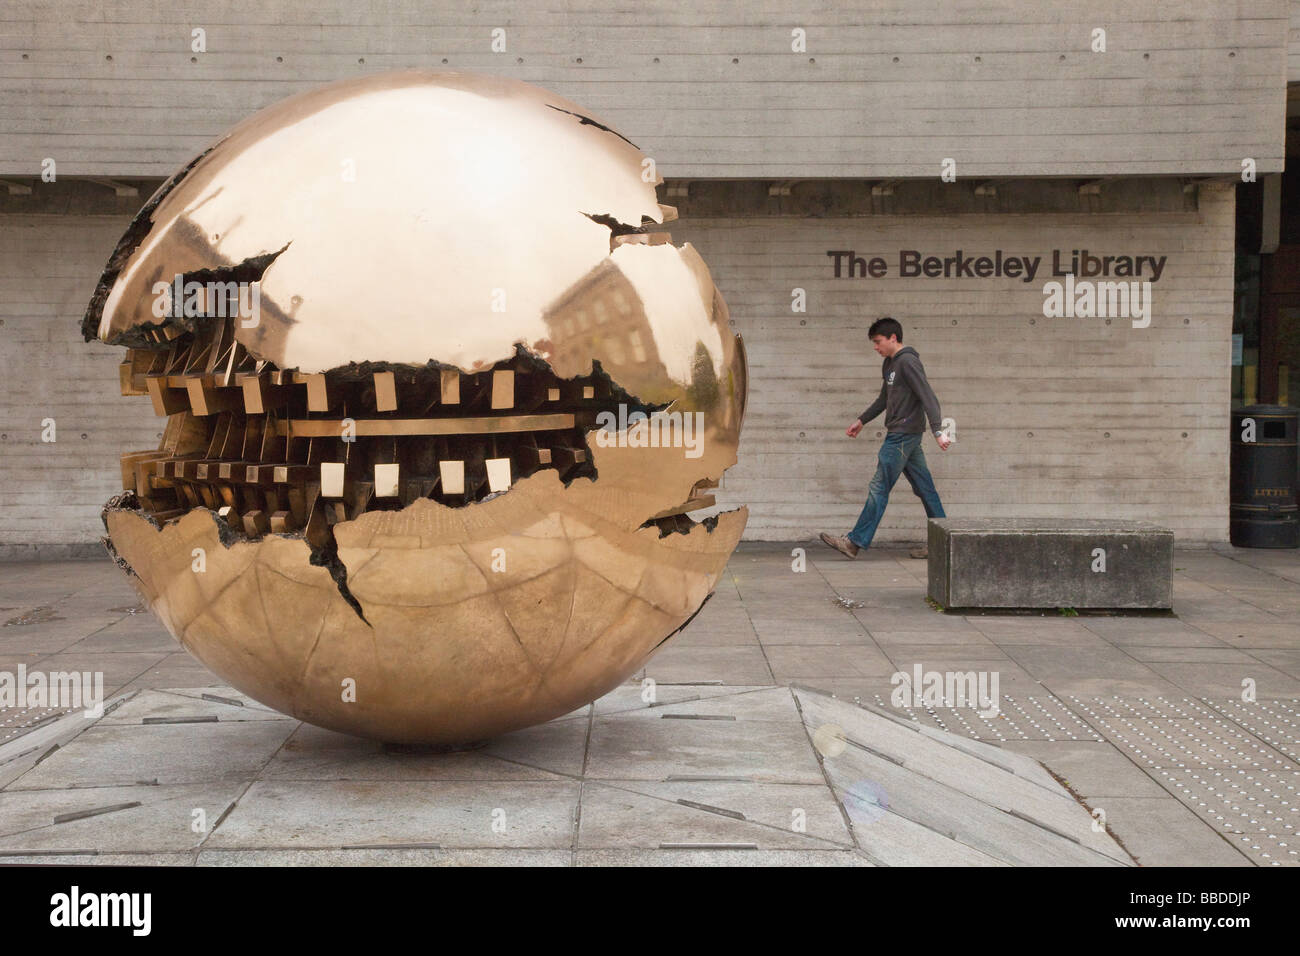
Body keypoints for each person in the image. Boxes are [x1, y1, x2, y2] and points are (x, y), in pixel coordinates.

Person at [819, 317, 951, 560]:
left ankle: (854, 542)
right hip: (905, 436)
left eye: (878, 342)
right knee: (926, 489)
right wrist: (862, 420)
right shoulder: (889, 365)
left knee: (879, 488)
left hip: (901, 436)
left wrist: (938, 431)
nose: (875, 347)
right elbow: (883, 399)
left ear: (893, 338)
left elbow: (928, 396)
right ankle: (945, 547)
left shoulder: (908, 362)